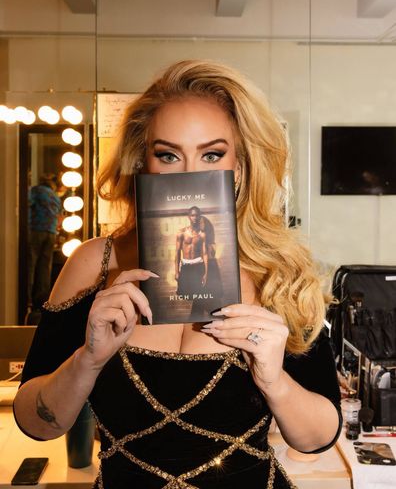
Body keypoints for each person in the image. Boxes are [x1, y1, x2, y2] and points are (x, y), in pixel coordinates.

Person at [14, 60, 342, 489]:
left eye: (212, 154)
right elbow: (37, 424)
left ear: (239, 167)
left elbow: (317, 440)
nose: (190, 174)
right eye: (168, 155)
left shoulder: (279, 273)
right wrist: (87, 361)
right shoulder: (96, 265)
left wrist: (273, 379)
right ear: (142, 162)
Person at [26, 173, 62, 323]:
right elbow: (60, 217)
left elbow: (26, 203)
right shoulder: (55, 197)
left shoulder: (36, 190)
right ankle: (41, 301)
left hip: (36, 229)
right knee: (44, 268)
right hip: (51, 232)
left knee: (31, 264)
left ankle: (27, 298)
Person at [175, 206, 208, 297]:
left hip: (198, 266)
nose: (195, 218)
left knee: (198, 294)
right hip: (186, 267)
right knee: (184, 294)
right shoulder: (181, 233)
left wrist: (206, 273)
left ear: (199, 217)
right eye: (192, 215)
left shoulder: (202, 235)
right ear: (188, 216)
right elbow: (177, 253)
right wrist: (176, 271)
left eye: (197, 215)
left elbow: (205, 254)